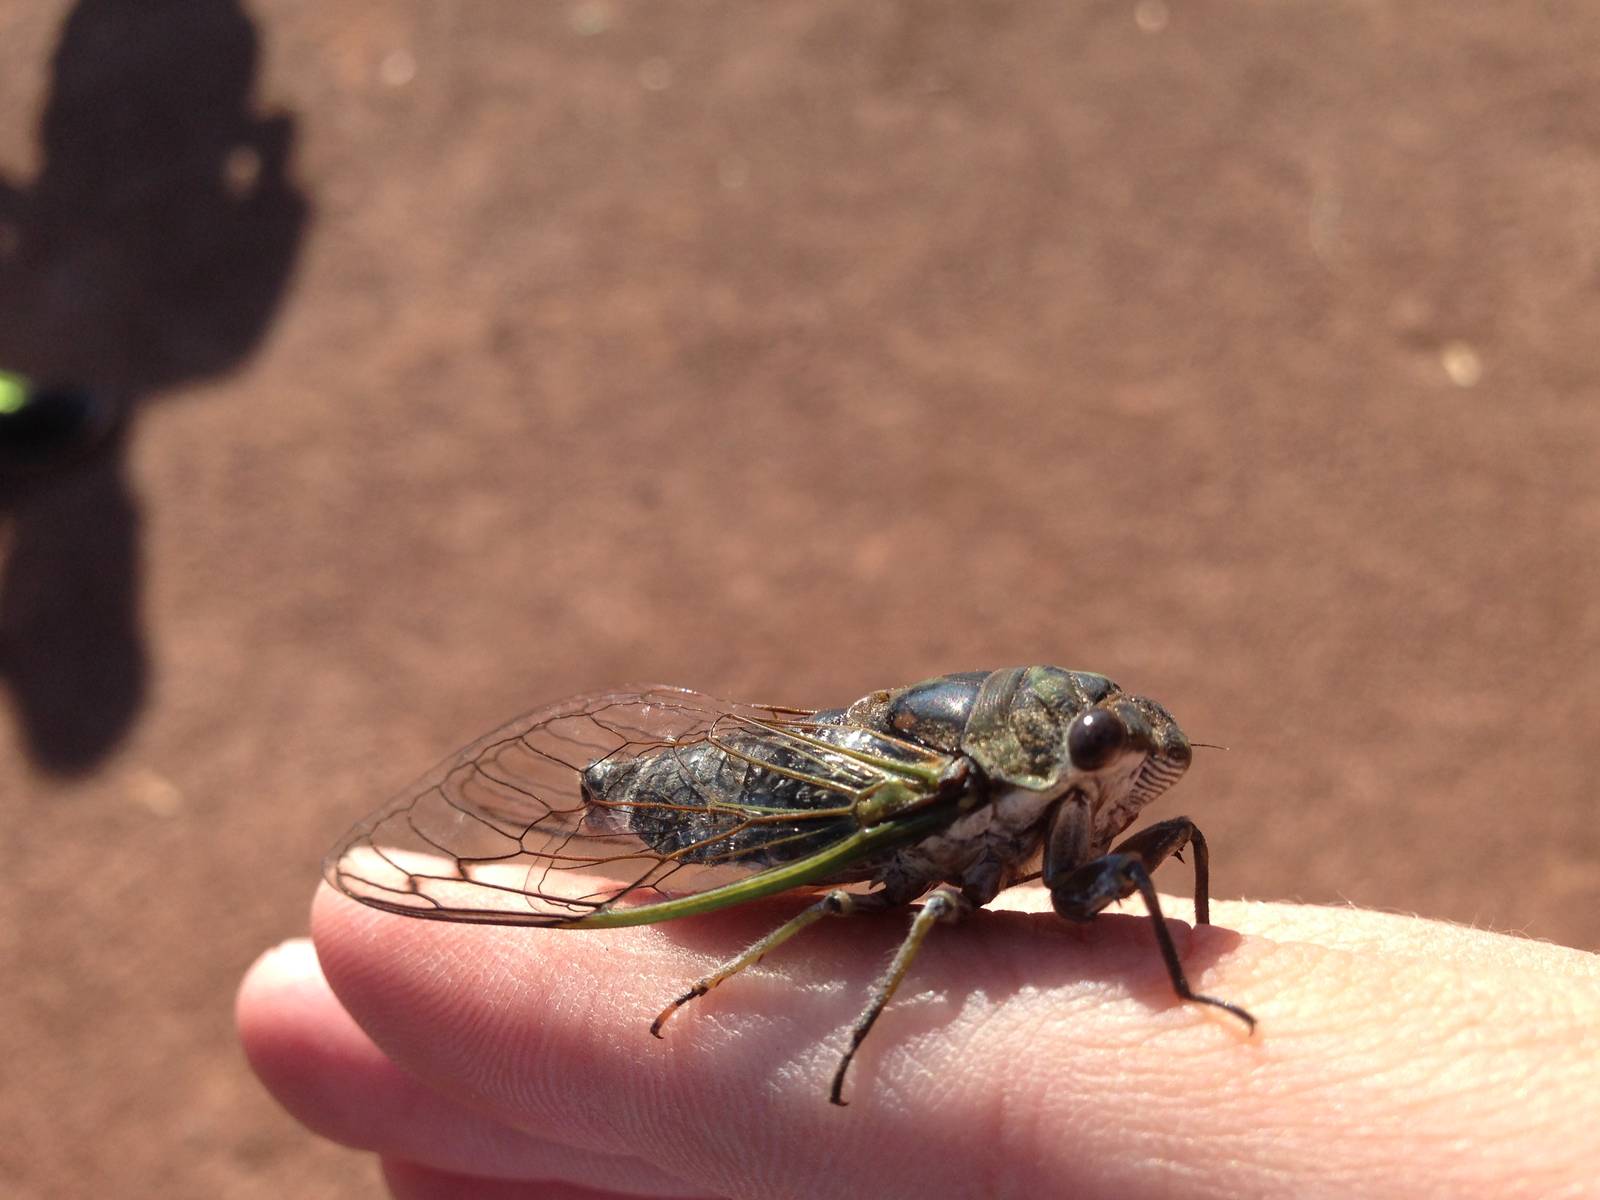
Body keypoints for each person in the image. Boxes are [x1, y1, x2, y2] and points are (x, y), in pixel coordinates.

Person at [238, 883, 1599, 1199]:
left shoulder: (1091, 820)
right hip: (816, 808)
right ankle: (729, 981)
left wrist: (1185, 983)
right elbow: (903, 899)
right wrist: (855, 1029)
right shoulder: (969, 790)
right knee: (866, 903)